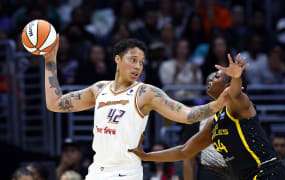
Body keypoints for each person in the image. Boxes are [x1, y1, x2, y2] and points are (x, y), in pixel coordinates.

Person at [43, 37, 229, 180]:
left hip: (126, 172)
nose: (137, 66)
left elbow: (187, 115)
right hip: (96, 171)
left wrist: (217, 104)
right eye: (133, 60)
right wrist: (50, 61)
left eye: (141, 62)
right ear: (117, 59)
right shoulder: (99, 89)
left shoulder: (146, 93)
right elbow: (55, 103)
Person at [130, 54, 285, 180]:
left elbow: (235, 92)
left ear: (228, 85)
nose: (211, 79)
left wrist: (236, 77)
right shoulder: (214, 122)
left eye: (217, 77)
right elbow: (184, 151)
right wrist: (146, 156)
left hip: (268, 172)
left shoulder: (241, 103)